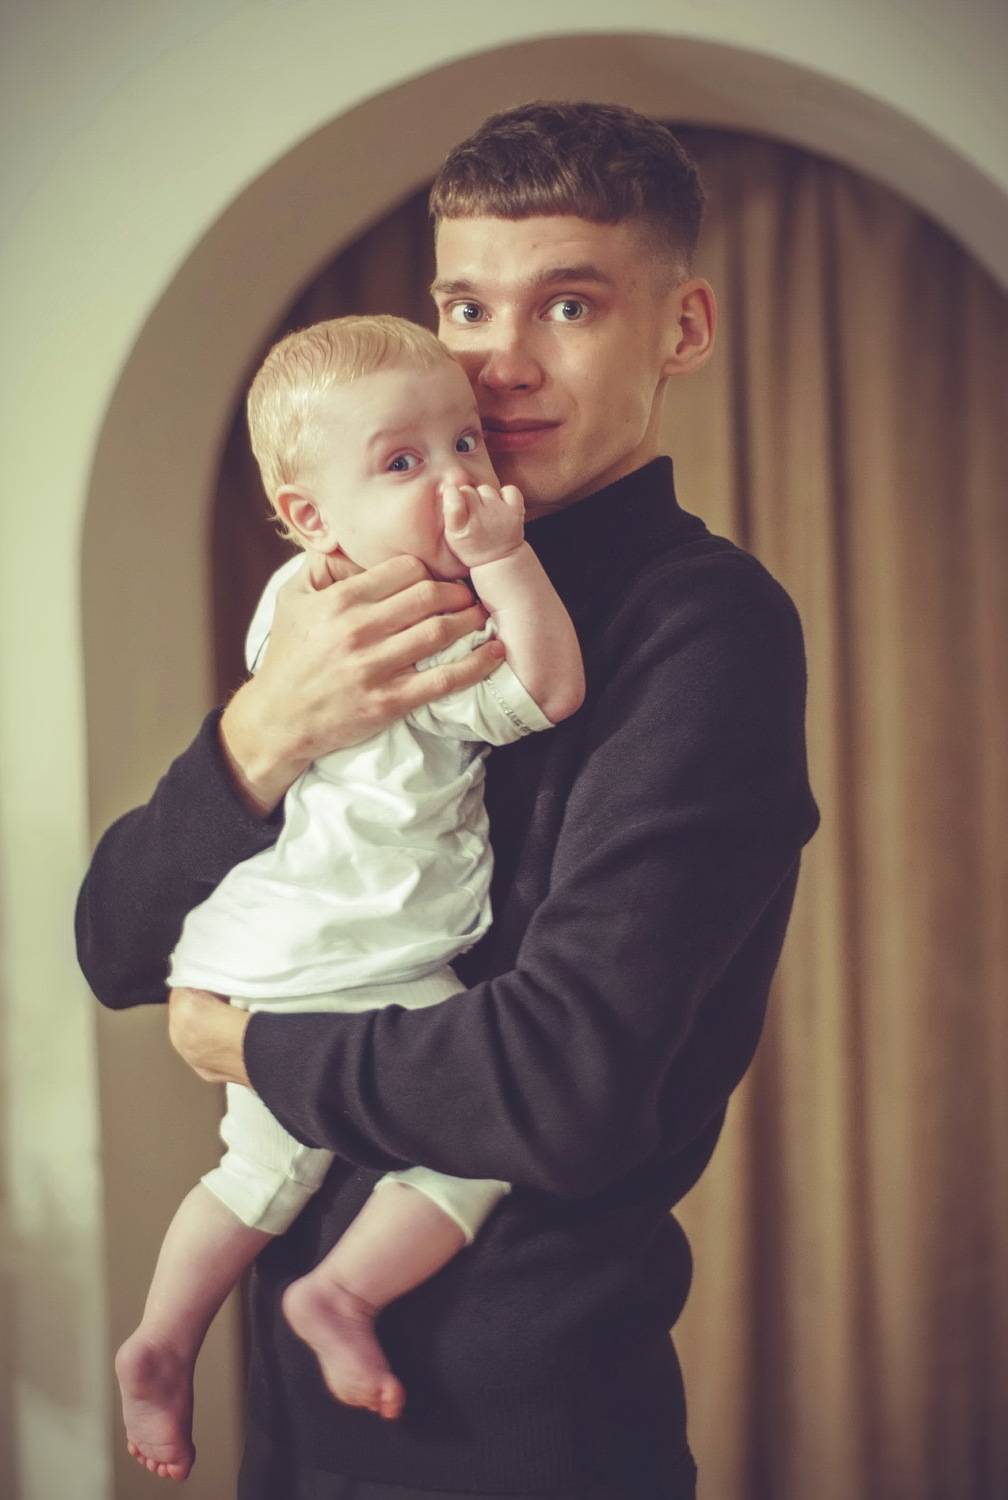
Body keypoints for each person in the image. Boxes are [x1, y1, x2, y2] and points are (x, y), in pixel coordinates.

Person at [77, 101, 820, 1500]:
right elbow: (115, 946)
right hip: (291, 1433)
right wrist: (263, 733)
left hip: (522, 1431)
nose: (497, 362)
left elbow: (563, 1085)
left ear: (683, 329)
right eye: (466, 305)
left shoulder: (703, 630)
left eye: (569, 305)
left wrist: (252, 1044)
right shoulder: (355, 595)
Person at [113, 313, 585, 1481]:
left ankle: (164, 1337)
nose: (458, 480)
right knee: (482, 1133)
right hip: (369, 956)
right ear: (313, 515)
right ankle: (342, 1293)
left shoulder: (295, 600)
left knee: (253, 1172)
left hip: (258, 950)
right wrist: (506, 562)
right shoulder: (421, 622)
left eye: (466, 443)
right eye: (402, 462)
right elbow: (550, 688)